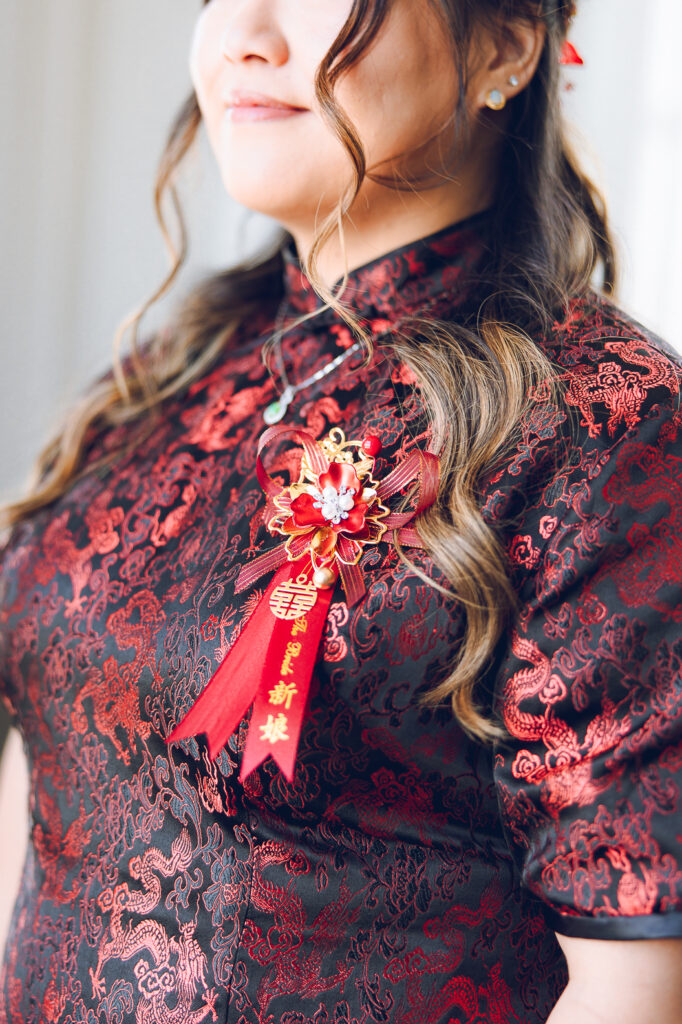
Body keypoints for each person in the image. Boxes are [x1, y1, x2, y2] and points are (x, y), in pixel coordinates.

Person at [0, 1, 680, 1021]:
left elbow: (633, 983)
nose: (243, 33)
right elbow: (53, 770)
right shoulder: (172, 374)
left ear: (503, 44)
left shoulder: (601, 417)